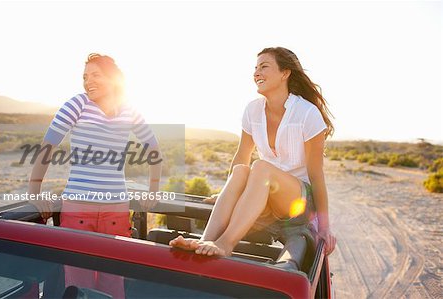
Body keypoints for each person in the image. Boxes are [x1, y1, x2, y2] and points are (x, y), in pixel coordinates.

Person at [170, 47, 336, 259]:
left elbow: (316, 174)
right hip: (264, 193)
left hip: (298, 201)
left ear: (285, 73)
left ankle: (226, 243)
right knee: (241, 170)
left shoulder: (307, 113)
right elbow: (241, 155)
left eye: (264, 67)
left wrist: (325, 226)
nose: (256, 72)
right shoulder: (252, 110)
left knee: (260, 166)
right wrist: (226, 194)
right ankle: (206, 240)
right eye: (255, 68)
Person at [28, 53, 162, 297]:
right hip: (79, 208)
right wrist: (34, 191)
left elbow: (153, 149)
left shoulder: (129, 109)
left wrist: (153, 191)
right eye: (85, 76)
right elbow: (48, 146)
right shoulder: (77, 103)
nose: (88, 81)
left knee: (114, 283)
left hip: (117, 211)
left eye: (96, 75)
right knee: (80, 285)